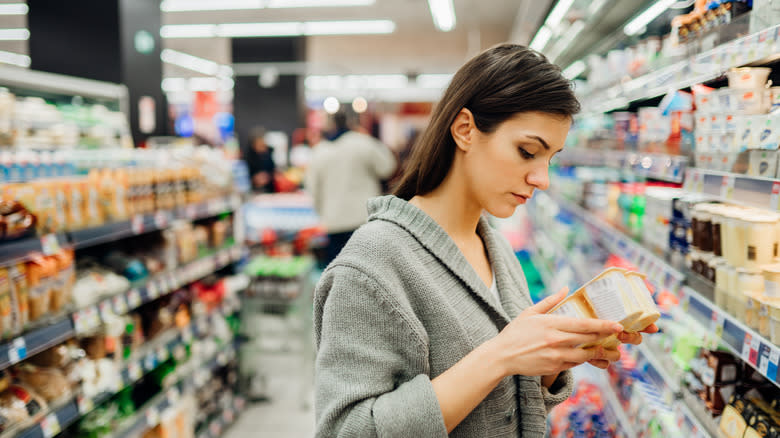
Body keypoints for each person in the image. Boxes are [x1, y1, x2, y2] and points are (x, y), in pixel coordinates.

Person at [313, 44, 658, 437]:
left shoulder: (496, 248)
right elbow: (346, 431)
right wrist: (502, 355)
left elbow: (500, 405)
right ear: (465, 130)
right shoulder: (372, 265)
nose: (541, 178)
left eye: (550, 159)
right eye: (527, 151)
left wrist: (551, 360)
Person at [305, 110, 397, 266]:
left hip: (334, 222)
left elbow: (312, 189)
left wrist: (323, 214)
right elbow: (388, 167)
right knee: (368, 271)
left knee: (338, 273)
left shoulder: (320, 151)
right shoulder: (363, 143)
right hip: (364, 218)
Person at [244, 126, 276, 193]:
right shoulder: (247, 157)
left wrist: (268, 176)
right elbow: (243, 177)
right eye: (259, 144)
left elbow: (273, 171)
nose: (262, 147)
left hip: (269, 190)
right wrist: (254, 179)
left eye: (263, 144)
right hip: (252, 191)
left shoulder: (269, 154)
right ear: (253, 144)